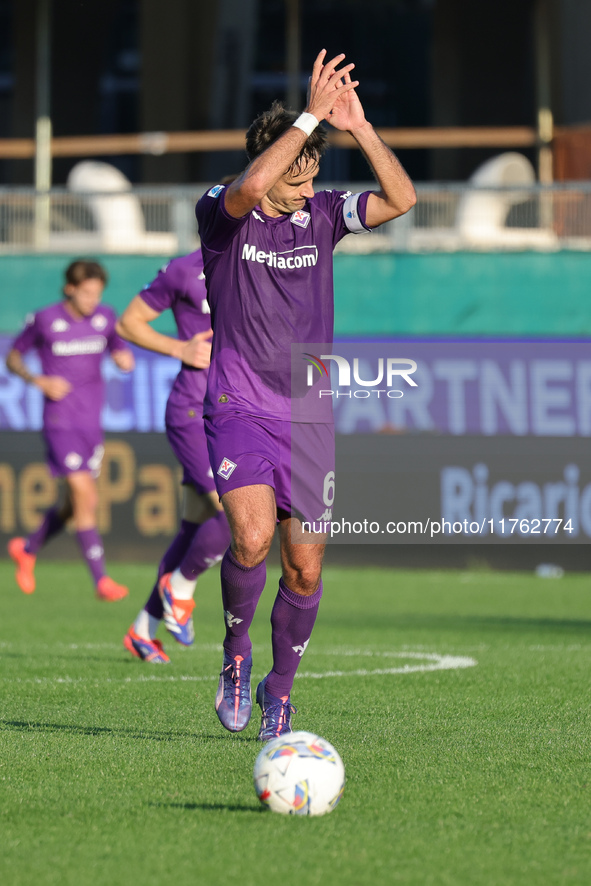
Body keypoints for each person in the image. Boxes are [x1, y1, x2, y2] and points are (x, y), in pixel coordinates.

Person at [196, 50, 416, 740]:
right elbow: (248, 188)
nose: (306, 184)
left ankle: (278, 691)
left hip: (310, 412)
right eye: (297, 172)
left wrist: (358, 126)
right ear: (270, 160)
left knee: (304, 564)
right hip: (237, 403)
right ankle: (235, 656)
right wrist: (308, 114)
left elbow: (402, 199)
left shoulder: (323, 215)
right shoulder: (221, 213)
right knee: (253, 538)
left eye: (315, 171)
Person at [116, 251, 232, 663]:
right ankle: (180, 589)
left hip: (238, 411)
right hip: (194, 410)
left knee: (193, 528)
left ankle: (143, 631)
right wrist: (178, 347)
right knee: (234, 511)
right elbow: (127, 321)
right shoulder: (185, 268)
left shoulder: (267, 258)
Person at [6, 259, 134, 601]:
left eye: (97, 293)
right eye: (87, 292)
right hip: (60, 420)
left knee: (74, 504)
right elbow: (13, 358)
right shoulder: (45, 319)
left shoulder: (105, 317)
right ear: (70, 289)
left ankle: (28, 548)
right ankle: (101, 580)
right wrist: (38, 380)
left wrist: (124, 359)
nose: (93, 299)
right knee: (84, 496)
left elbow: (119, 349)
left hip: (92, 422)